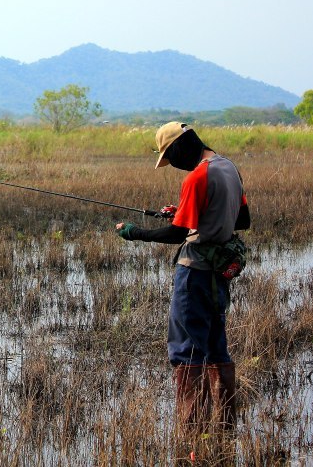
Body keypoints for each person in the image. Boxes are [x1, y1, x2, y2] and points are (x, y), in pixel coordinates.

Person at [114, 122, 250, 451]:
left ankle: (192, 440)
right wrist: (187, 215)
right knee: (217, 347)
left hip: (195, 273)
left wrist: (134, 232)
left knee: (186, 351)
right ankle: (225, 430)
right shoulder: (227, 167)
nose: (173, 165)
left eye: (170, 158)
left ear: (179, 147)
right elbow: (242, 221)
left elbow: (177, 234)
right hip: (219, 275)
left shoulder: (197, 176)